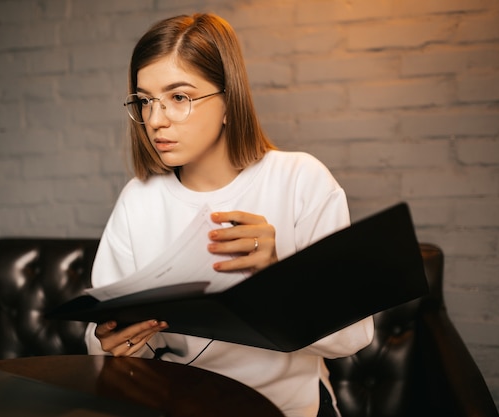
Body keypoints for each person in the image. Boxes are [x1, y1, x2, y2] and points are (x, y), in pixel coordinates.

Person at [84, 13, 374, 417]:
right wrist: (112, 344)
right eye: (145, 100)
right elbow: (102, 339)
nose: (155, 120)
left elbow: (354, 335)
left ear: (228, 100)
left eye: (179, 97)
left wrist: (276, 273)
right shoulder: (139, 199)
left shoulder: (300, 180)